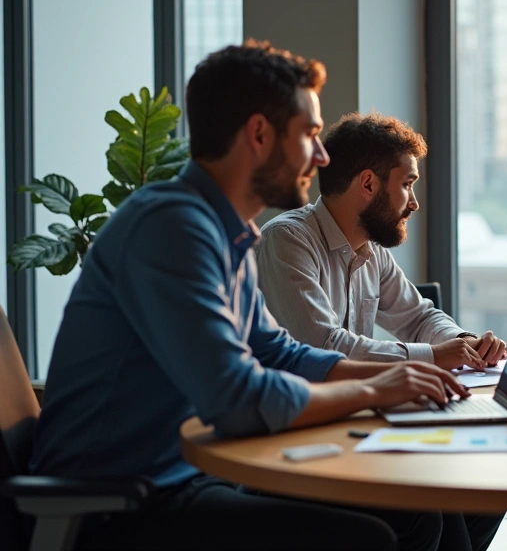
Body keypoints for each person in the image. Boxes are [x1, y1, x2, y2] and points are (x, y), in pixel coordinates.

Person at [29, 41, 475, 551]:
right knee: (367, 537)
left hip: (190, 476)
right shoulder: (172, 227)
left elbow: (276, 352)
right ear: (259, 134)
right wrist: (377, 390)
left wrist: (398, 376)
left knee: (416, 512)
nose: (323, 155)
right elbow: (238, 397)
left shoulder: (228, 232)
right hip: (119, 502)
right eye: (310, 134)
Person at [258, 112, 507, 372]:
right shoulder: (286, 241)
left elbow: (418, 318)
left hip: (351, 404)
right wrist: (433, 356)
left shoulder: (371, 249)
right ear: (368, 184)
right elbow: (323, 347)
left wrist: (463, 342)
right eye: (407, 184)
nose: (414, 203)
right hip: (298, 410)